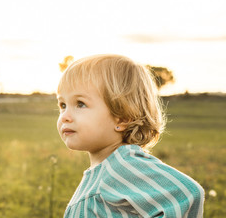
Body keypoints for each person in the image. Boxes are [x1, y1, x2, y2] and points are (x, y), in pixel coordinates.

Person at [56, 54, 204, 218]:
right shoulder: (107, 168)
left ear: (122, 118)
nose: (64, 116)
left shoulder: (122, 165)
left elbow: (187, 194)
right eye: (62, 105)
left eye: (80, 104)